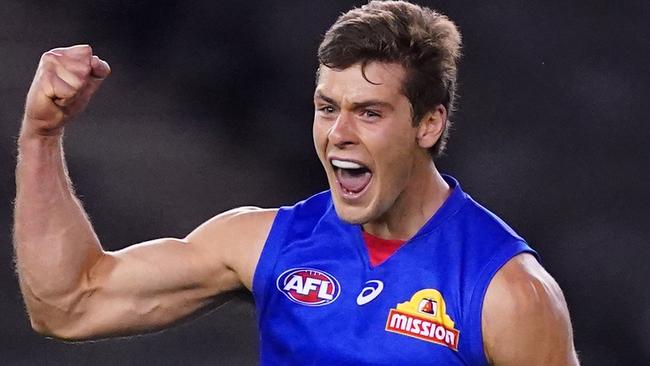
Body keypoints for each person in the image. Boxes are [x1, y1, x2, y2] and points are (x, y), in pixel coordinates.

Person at [13, 1, 579, 365]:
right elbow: (69, 305)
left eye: (370, 112)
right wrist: (42, 135)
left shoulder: (508, 295)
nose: (339, 133)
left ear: (428, 123)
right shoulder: (264, 244)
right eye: (327, 107)